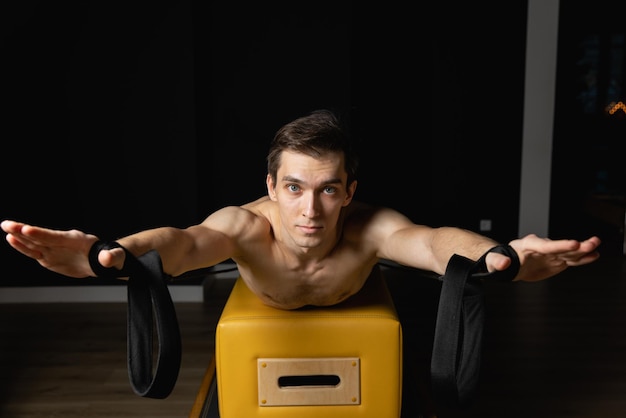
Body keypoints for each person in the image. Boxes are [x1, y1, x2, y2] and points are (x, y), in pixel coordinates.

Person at [2, 109, 601, 310]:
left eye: (327, 190)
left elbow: (434, 242)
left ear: (349, 190)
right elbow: (182, 245)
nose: (310, 209)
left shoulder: (371, 229)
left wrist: (501, 256)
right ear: (270, 184)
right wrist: (110, 257)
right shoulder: (244, 226)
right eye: (293, 188)